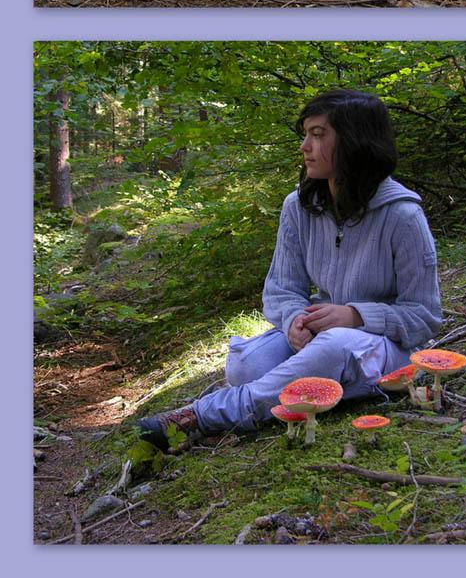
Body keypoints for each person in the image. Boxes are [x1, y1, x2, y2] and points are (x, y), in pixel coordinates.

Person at [137, 89, 442, 448]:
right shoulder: (298, 207)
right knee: (246, 365)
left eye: (317, 134)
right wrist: (294, 321)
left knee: (334, 347)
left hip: (388, 348)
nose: (304, 147)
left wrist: (356, 316)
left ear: (355, 141)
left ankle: (202, 416)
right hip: (321, 335)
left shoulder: (403, 216)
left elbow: (424, 317)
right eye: (305, 134)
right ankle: (332, 388)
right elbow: (281, 288)